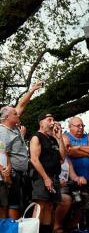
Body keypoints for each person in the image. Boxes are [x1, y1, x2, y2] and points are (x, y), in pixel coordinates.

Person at [0, 81, 42, 219]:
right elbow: (2, 153)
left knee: (18, 203)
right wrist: (6, 174)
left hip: (21, 173)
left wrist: (32, 90)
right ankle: (10, 230)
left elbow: (22, 104)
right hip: (11, 174)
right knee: (12, 204)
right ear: (7, 117)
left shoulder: (13, 126)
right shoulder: (2, 132)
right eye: (15, 114)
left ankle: (14, 229)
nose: (18, 115)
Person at [29, 114, 66, 233]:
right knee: (41, 205)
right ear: (41, 123)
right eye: (49, 120)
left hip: (54, 176)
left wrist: (59, 138)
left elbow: (62, 157)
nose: (52, 122)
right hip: (41, 176)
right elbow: (34, 159)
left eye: (53, 120)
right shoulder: (36, 137)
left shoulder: (53, 139)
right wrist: (45, 178)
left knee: (50, 207)